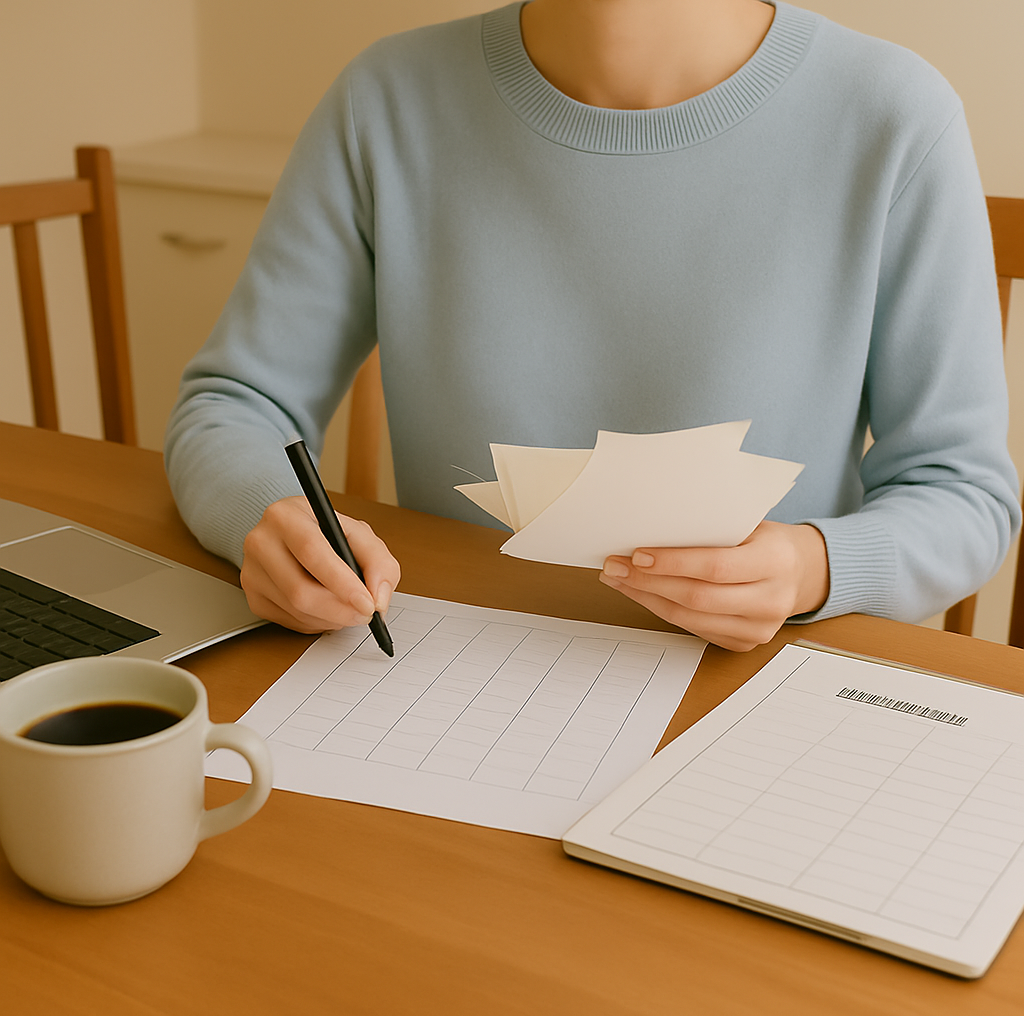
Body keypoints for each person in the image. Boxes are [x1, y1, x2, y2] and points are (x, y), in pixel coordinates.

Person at [165, 0, 1021, 652]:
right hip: (447, 672)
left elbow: (963, 492)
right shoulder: (385, 102)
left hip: (761, 687)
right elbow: (235, 403)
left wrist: (811, 570)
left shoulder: (894, 118)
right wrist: (266, 518)